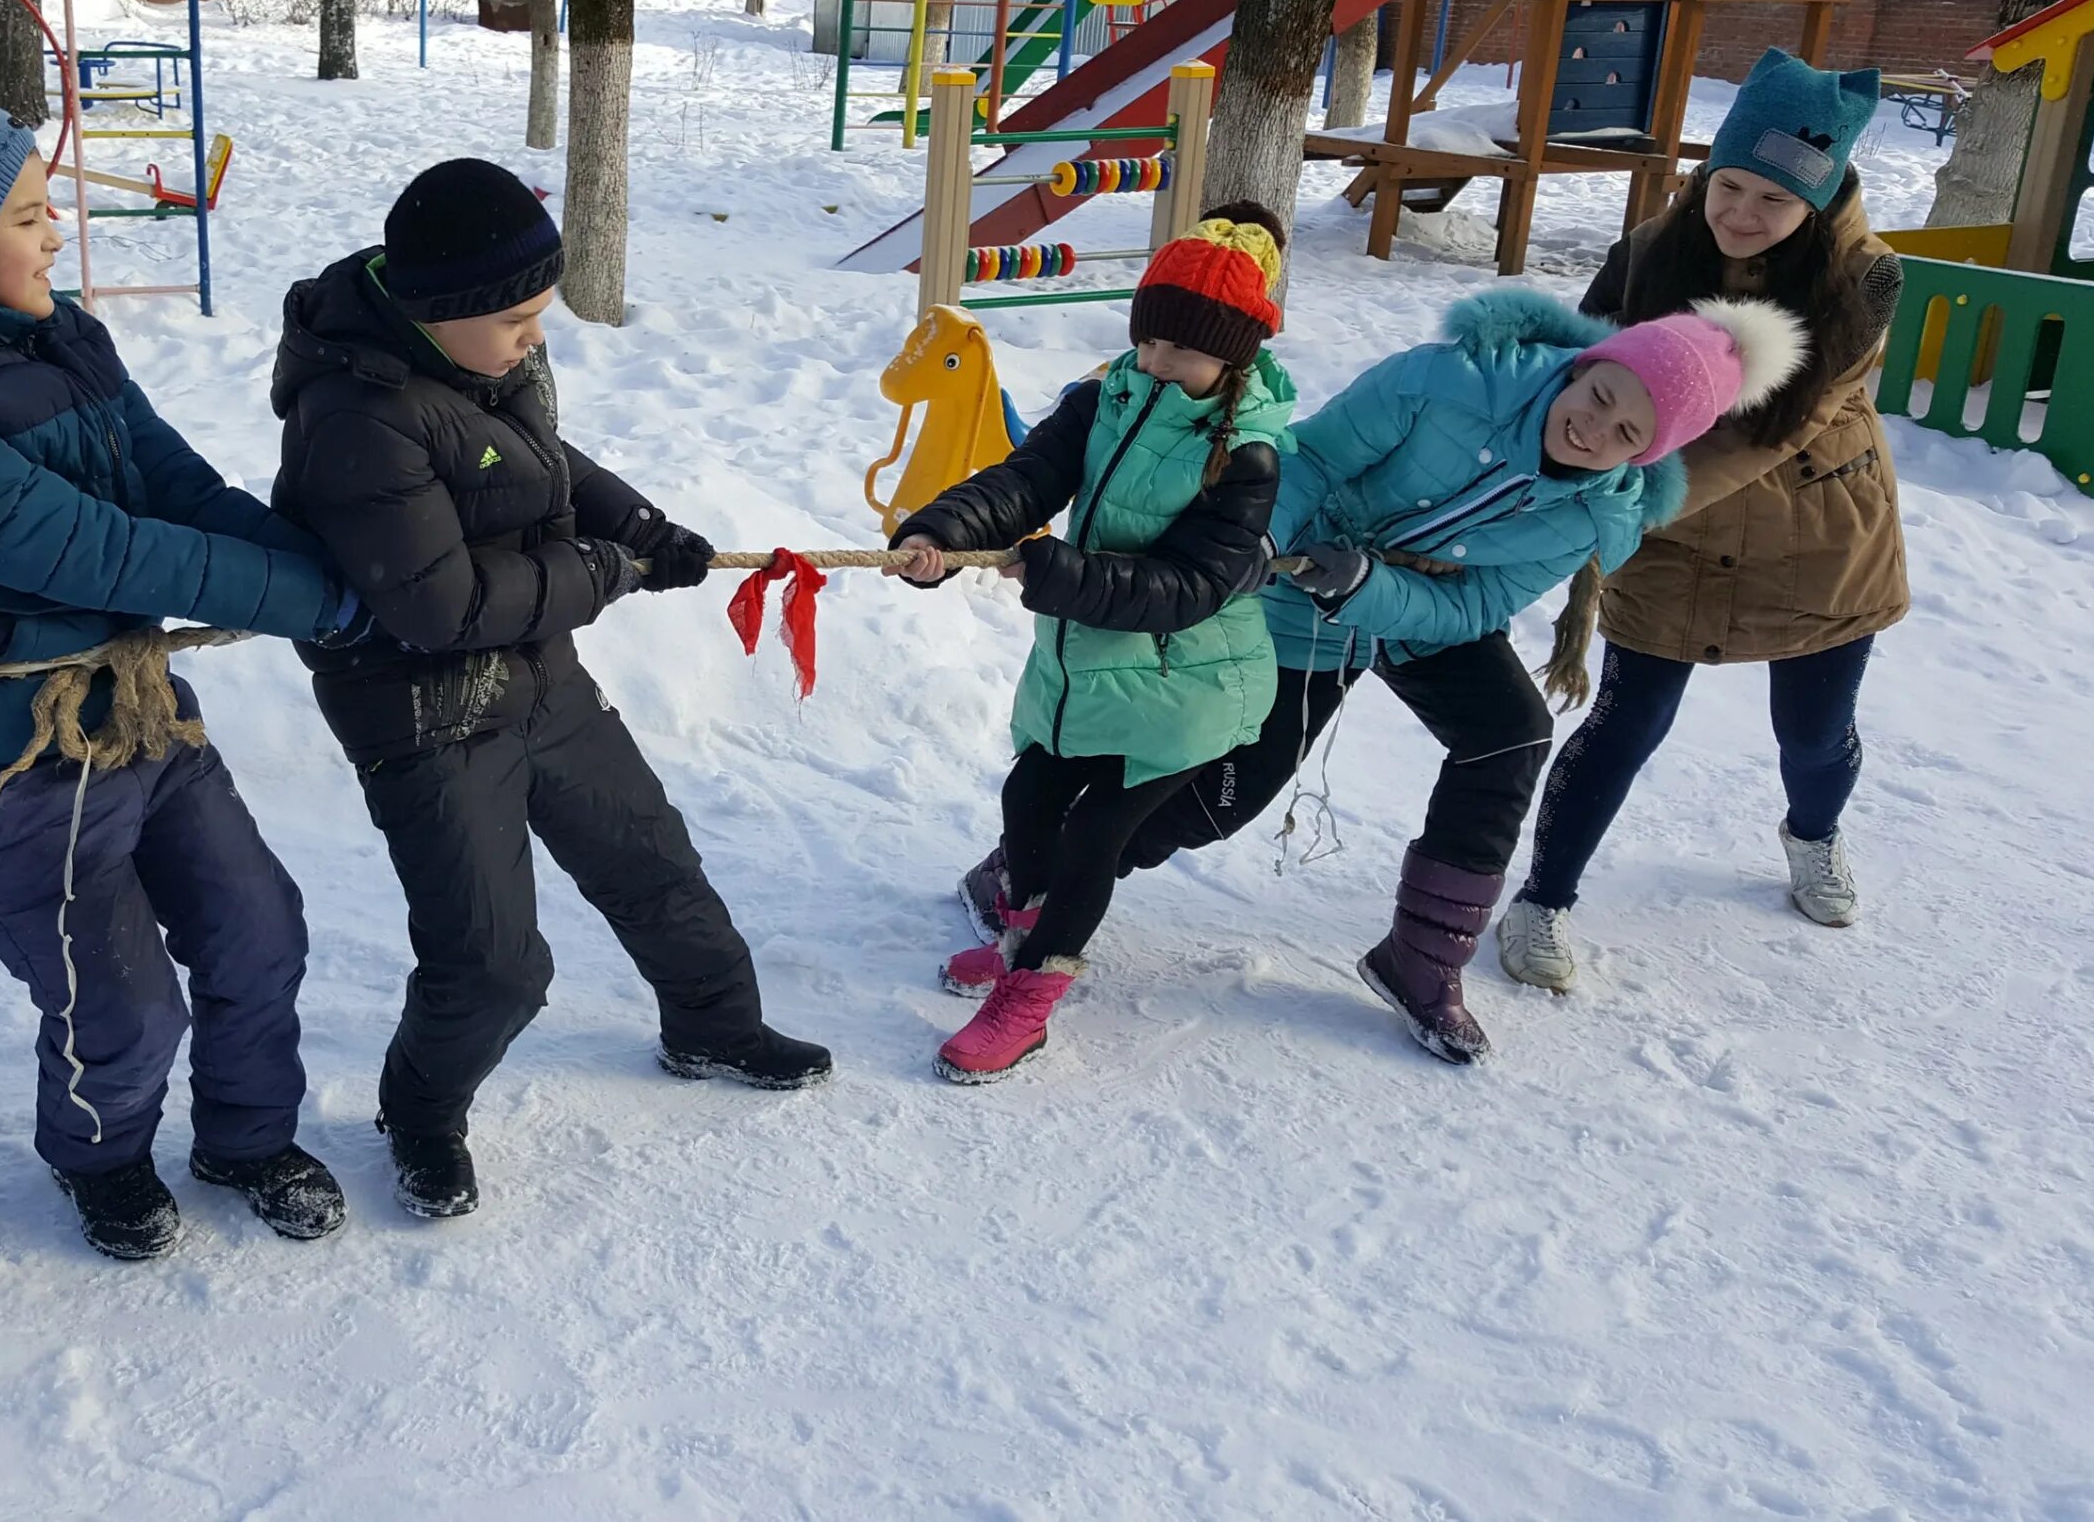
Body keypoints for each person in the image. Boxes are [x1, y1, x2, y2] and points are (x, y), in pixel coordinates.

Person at [0, 95, 369, 1263]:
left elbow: (172, 491)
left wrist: (344, 570)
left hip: (134, 705)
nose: (57, 238)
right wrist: (321, 607)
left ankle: (247, 1138)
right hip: (1, 751)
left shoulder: (56, 333)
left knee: (259, 930)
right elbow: (104, 550)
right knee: (122, 1002)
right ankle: (104, 1161)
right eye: (31, 217)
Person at [968, 287, 1807, 1064]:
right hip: (1288, 582)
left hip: (1403, 601)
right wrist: (1262, 546)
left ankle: (1423, 957)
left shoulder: (1596, 512)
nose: (1595, 430)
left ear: (1643, 457)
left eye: (1628, 434)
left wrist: (1371, 589)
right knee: (1219, 796)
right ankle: (1033, 868)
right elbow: (1310, 461)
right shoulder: (1449, 380)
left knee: (1510, 730)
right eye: (1598, 398)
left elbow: (1479, 604)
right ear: (1584, 365)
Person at [269, 158, 831, 1219]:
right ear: (444, 311)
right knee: (492, 963)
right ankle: (421, 1112)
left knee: (651, 856)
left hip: (539, 675)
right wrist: (605, 574)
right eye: (522, 316)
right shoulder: (355, 420)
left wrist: (641, 526)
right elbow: (439, 608)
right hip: (427, 715)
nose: (540, 336)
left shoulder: (485, 361)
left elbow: (540, 459)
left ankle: (712, 1023)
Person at [1501, 49, 1904, 988]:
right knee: (1626, 720)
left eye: (1774, 200)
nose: (1742, 215)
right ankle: (1543, 898)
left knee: (1813, 731)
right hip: (1669, 539)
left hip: (1815, 534)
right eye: (1728, 186)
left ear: (1820, 198)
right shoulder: (1649, 252)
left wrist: (1619, 509)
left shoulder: (1865, 278)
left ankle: (1813, 833)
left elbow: (1775, 427)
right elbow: (1578, 369)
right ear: (1704, 172)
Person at [887, 205, 1295, 1082]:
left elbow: (1192, 586)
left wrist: (1060, 575)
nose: (1155, 363)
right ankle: (1025, 935)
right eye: (1147, 340)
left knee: (1094, 831)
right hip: (1097, 666)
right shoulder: (1106, 395)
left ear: (1233, 359)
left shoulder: (1247, 456)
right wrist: (944, 533)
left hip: (1193, 683)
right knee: (1029, 799)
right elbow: (1029, 477)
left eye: (1180, 352)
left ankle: (1033, 994)